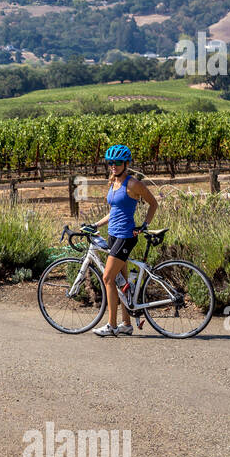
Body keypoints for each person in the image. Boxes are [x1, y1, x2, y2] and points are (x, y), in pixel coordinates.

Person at [90, 144, 158, 337]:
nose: (113, 165)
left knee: (108, 278)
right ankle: (126, 324)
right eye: (110, 162)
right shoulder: (113, 182)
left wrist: (144, 224)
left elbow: (154, 203)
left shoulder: (133, 184)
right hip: (113, 235)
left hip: (126, 236)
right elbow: (114, 213)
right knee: (121, 282)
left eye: (117, 162)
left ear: (126, 163)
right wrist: (95, 225)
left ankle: (111, 325)